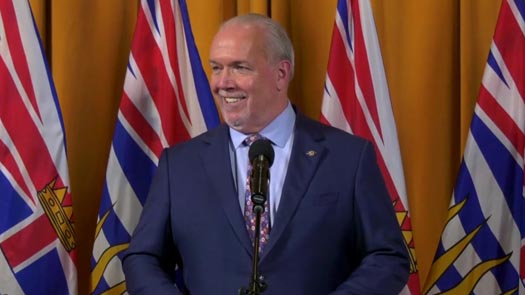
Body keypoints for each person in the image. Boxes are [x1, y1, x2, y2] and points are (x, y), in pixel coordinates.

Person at [122, 13, 409, 295]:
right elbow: (143, 258)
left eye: (239, 67)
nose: (223, 83)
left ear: (281, 74)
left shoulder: (348, 158)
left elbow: (387, 257)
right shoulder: (180, 165)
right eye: (216, 68)